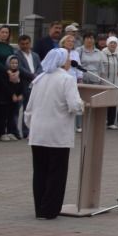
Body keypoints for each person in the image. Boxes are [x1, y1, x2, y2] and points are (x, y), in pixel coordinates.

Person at [23, 49, 83, 219]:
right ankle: (50, 209)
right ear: (63, 61)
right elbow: (74, 105)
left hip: (38, 133)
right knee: (56, 172)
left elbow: (29, 109)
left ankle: (40, 208)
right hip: (58, 134)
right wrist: (82, 105)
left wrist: (31, 126)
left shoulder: (39, 79)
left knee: (40, 171)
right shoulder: (67, 79)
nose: (69, 62)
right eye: (68, 59)